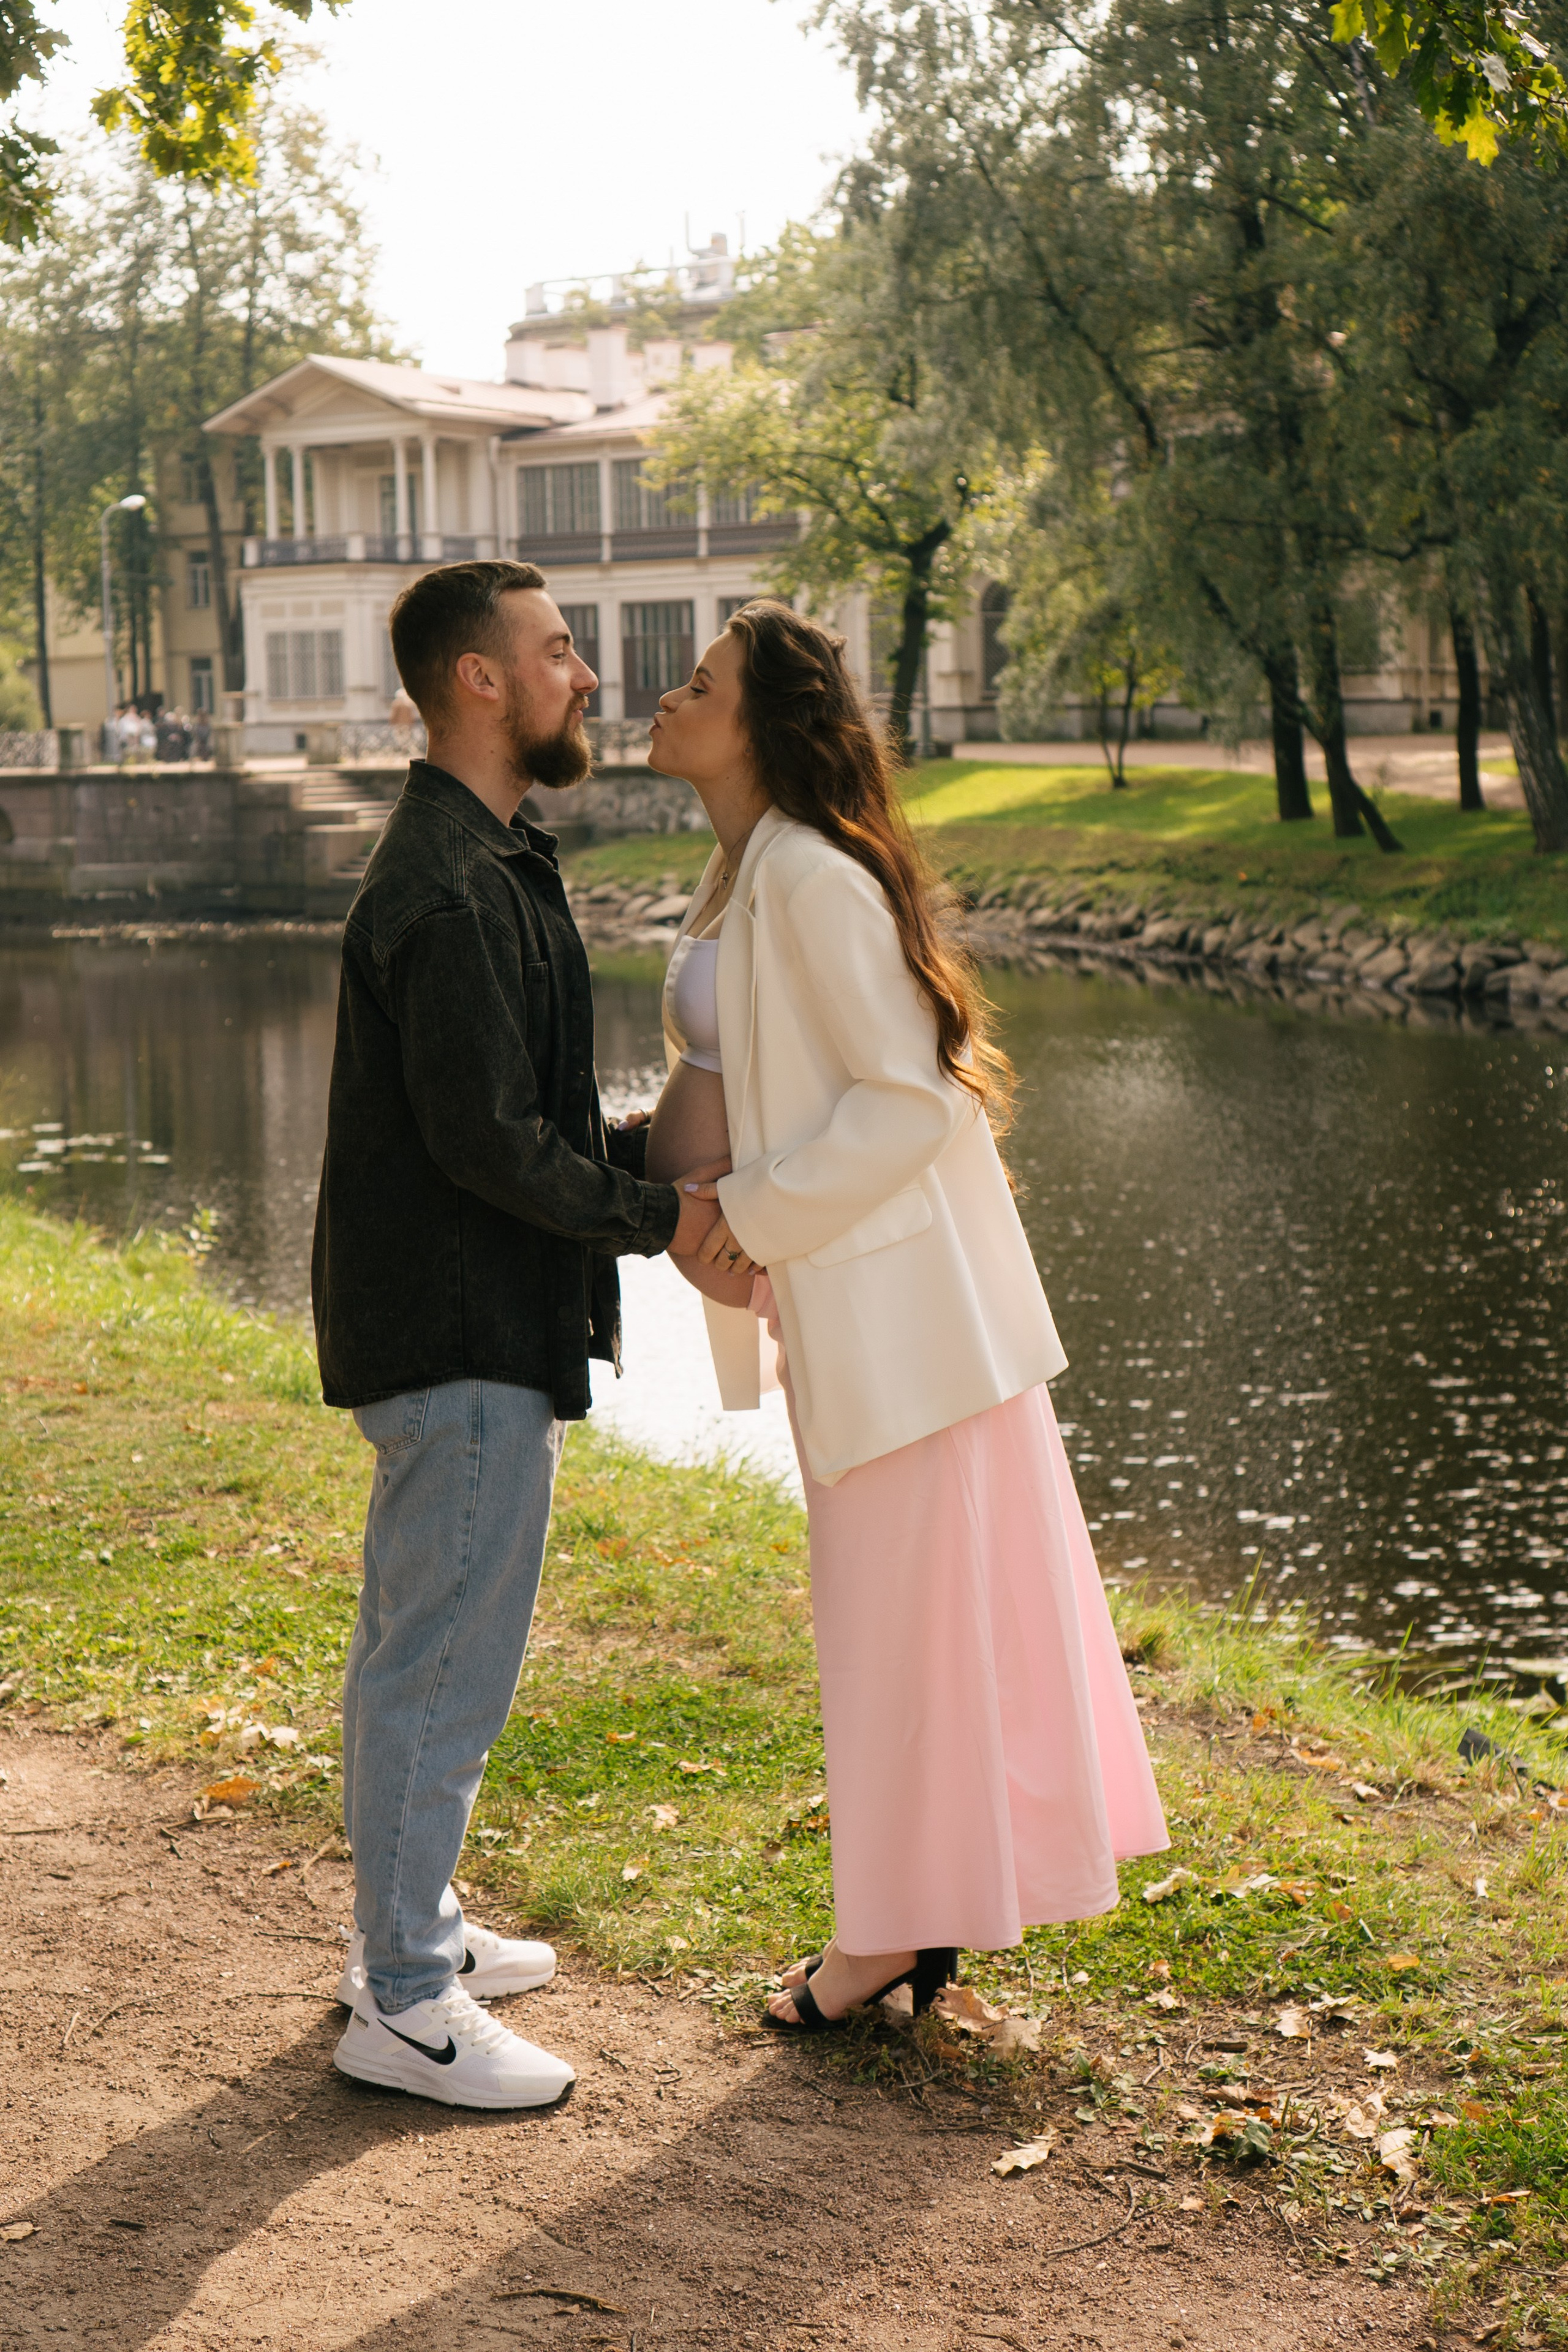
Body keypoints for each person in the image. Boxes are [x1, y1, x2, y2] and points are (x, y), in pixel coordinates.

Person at [643, 601, 1169, 2029]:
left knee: (895, 1634)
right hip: (847, 1309)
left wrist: (749, 1215)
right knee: (901, 1632)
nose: (666, 697)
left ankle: (880, 1939)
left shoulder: (809, 875)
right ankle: (911, 1917)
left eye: (699, 683)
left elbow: (905, 1100)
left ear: (764, 723)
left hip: (898, 1322)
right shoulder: (752, 868)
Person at [311, 559, 725, 2108]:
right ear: (478, 680)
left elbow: (511, 1122)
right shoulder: (445, 882)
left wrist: (646, 1158)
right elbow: (486, 1143)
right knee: (439, 1666)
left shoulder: (483, 859)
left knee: (413, 1651)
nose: (587, 675)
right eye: (558, 651)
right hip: (460, 1329)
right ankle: (406, 2003)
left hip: (465, 1317)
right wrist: (666, 1222)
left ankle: (396, 1941)